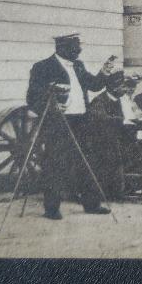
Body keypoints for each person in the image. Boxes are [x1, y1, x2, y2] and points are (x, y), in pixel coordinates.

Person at [25, 33, 116, 220]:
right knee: (56, 163)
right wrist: (51, 106)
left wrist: (105, 72)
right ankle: (52, 209)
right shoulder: (43, 67)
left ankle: (92, 204)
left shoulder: (79, 66)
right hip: (58, 122)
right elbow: (32, 98)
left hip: (82, 120)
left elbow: (94, 85)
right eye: (75, 47)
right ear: (62, 47)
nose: (79, 50)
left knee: (87, 161)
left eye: (79, 46)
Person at [84, 68, 129, 201]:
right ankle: (113, 193)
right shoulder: (99, 101)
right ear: (114, 87)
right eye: (123, 86)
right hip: (96, 141)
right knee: (114, 153)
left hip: (112, 137)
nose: (125, 89)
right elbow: (101, 121)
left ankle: (120, 190)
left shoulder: (117, 99)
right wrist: (121, 120)